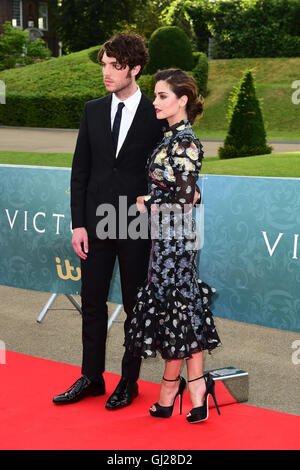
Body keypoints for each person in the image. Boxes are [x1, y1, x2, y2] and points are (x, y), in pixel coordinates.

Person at [52, 33, 166, 409]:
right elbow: (80, 171)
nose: (106, 72)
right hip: (96, 223)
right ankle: (91, 377)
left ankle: (129, 380)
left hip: (135, 224)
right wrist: (78, 224)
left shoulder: (156, 115)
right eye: (104, 64)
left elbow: (165, 175)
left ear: (134, 69)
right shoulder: (92, 110)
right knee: (92, 302)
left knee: (135, 305)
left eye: (114, 66)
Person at [124, 69, 222, 423]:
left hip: (175, 239)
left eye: (163, 95)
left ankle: (172, 388)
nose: (156, 101)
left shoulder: (184, 142)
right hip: (168, 237)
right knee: (182, 308)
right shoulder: (173, 139)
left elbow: (182, 199)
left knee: (175, 308)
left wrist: (146, 202)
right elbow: (188, 191)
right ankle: (195, 390)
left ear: (182, 100)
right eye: (156, 95)